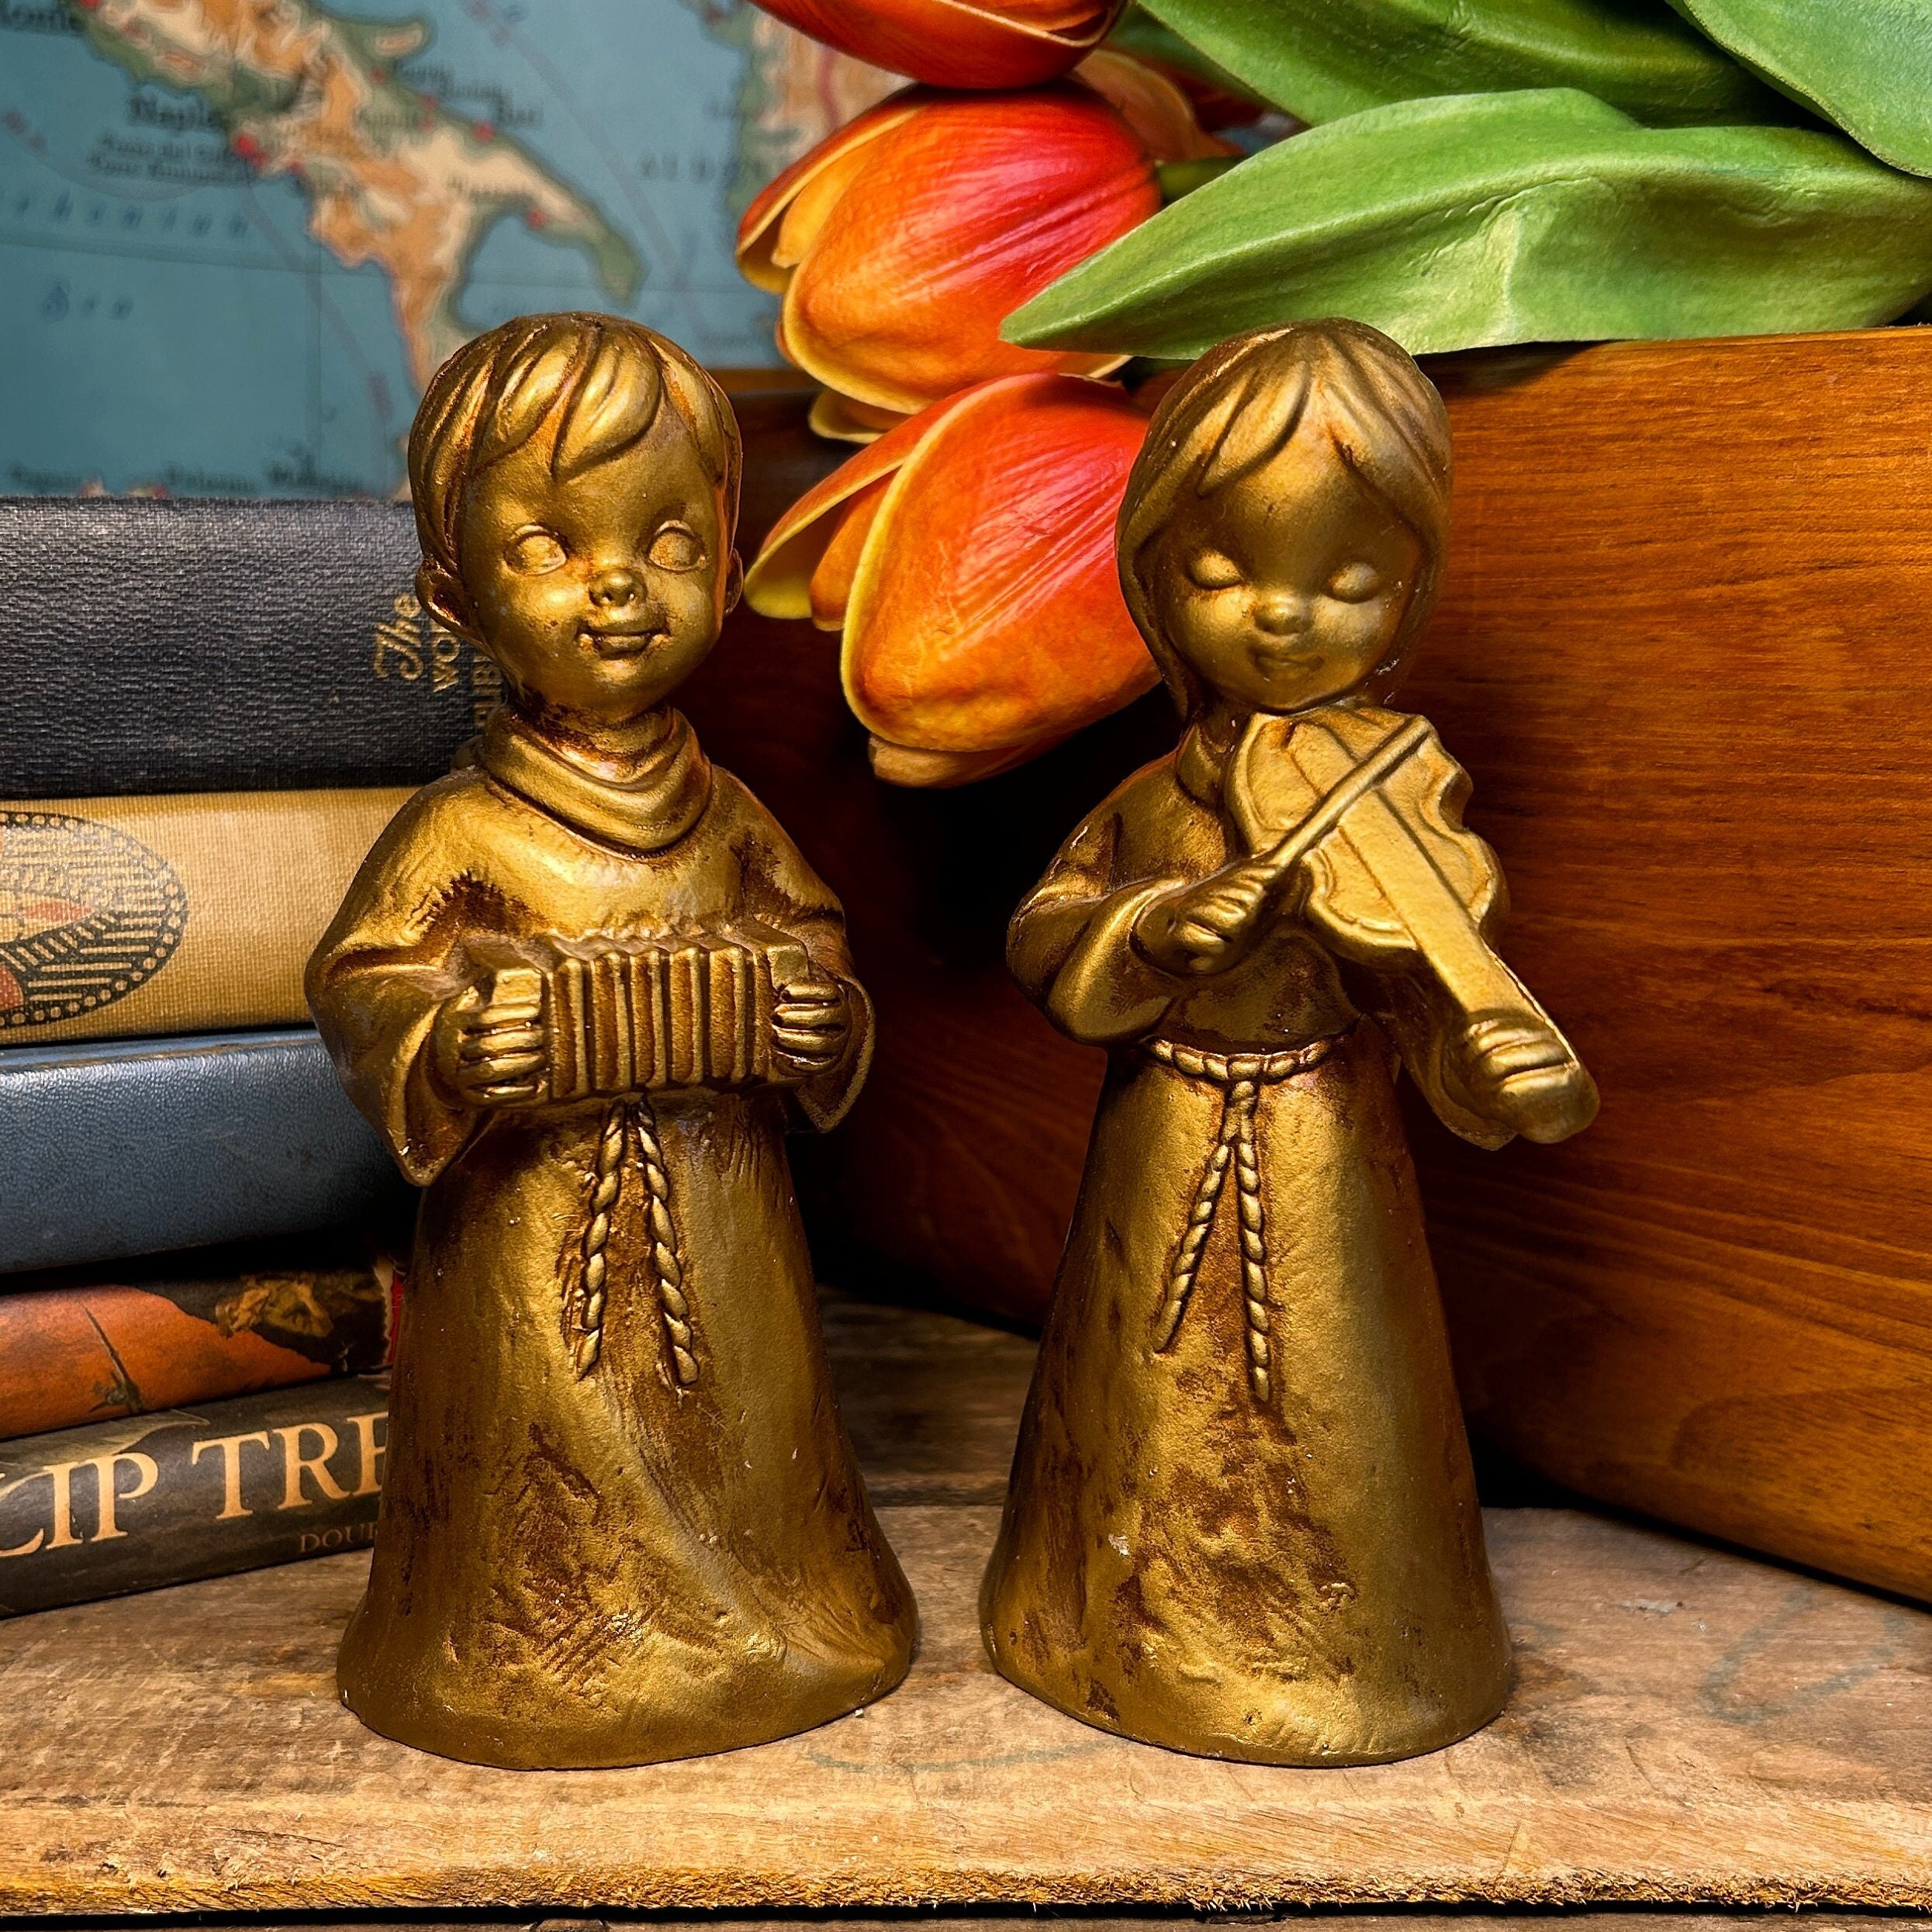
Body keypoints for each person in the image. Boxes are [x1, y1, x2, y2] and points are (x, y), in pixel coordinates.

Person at [980, 318, 1595, 1765]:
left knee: (1344, 1392)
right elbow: (1048, 930)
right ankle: (1106, 1630)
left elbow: (1429, 981)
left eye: (1349, 584)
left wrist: (1484, 1056)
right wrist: (1156, 934)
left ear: (1411, 594)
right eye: (1224, 573)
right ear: (1153, 579)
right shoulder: (1155, 798)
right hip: (1167, 1126)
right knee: (1138, 1390)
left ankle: (1373, 1644)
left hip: (1329, 1135)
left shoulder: (1409, 800)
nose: (1283, 618)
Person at [307, 313, 914, 1769]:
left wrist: (815, 1016)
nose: (621, 586)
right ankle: (532, 1648)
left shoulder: (732, 816)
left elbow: (817, 946)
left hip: (726, 1212)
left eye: (672, 542)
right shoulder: (463, 828)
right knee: (552, 1440)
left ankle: (786, 1619)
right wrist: (451, 1046)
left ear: (726, 565)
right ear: (454, 599)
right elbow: (363, 979)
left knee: (745, 1424)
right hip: (527, 1229)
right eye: (547, 548)